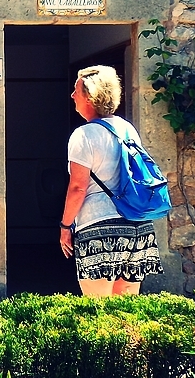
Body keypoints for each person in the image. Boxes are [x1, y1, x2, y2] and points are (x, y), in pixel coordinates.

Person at [59, 65, 163, 296]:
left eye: (77, 91)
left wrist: (65, 226)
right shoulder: (127, 129)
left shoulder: (83, 135)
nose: (73, 95)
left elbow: (78, 187)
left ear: (90, 96)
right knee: (127, 310)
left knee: (99, 309)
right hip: (137, 226)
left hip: (100, 228)